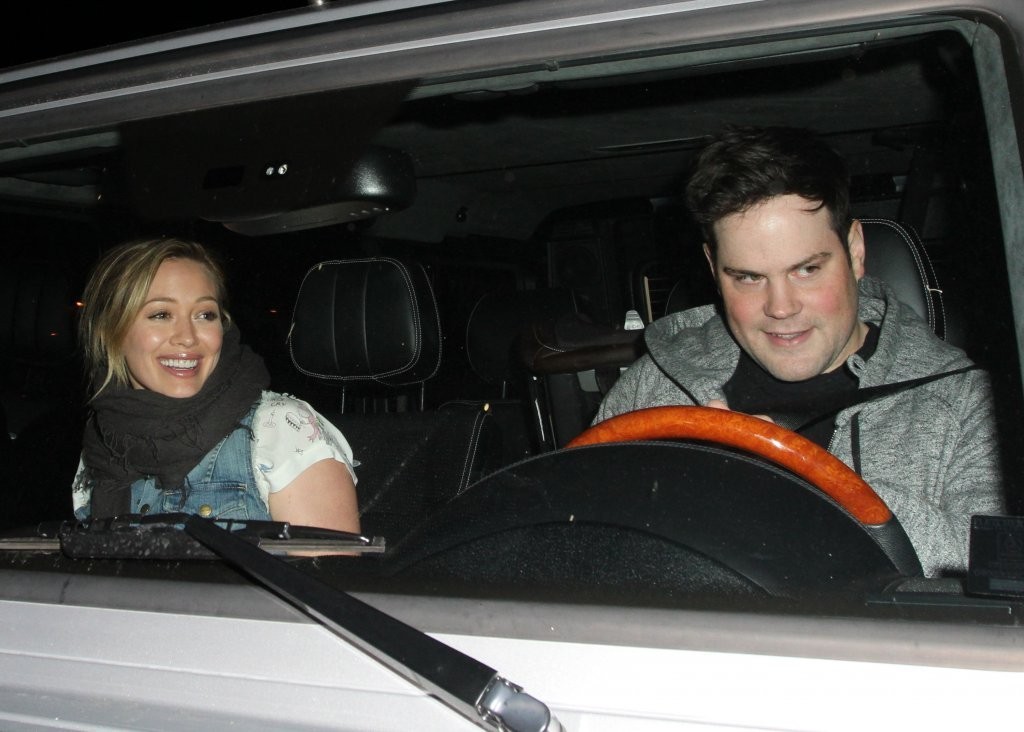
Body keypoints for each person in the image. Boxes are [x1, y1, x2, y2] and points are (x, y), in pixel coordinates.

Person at [594, 125, 1005, 577]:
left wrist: (800, 492)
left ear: (855, 251)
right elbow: (575, 545)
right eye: (748, 277)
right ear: (713, 268)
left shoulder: (967, 403)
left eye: (806, 270)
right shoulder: (652, 390)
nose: (781, 307)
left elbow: (994, 576)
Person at [71, 236, 360, 533]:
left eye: (205, 315)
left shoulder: (281, 429)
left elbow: (326, 563)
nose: (188, 337)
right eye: (161, 315)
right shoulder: (102, 443)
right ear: (112, 331)